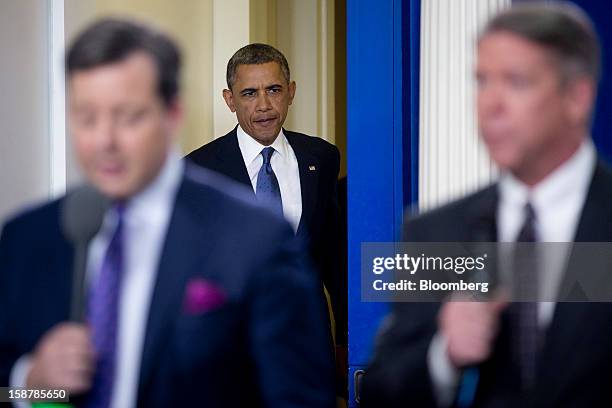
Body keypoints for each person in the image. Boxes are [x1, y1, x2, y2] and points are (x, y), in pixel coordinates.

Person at [0, 18, 335, 408]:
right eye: (86, 117)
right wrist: (32, 379)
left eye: (129, 116)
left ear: (171, 114)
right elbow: (9, 388)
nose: (105, 140)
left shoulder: (254, 236)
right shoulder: (28, 237)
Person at [361, 2, 612, 407]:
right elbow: (381, 392)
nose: (489, 105)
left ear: (577, 97)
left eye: (515, 81)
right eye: (482, 81)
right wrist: (443, 356)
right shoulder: (434, 233)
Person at [186, 43, 346, 376]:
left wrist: (349, 334)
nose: (263, 105)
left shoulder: (322, 157)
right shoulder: (198, 170)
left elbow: (333, 257)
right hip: (230, 351)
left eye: (273, 90)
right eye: (249, 93)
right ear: (230, 100)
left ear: (291, 92)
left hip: (306, 345)